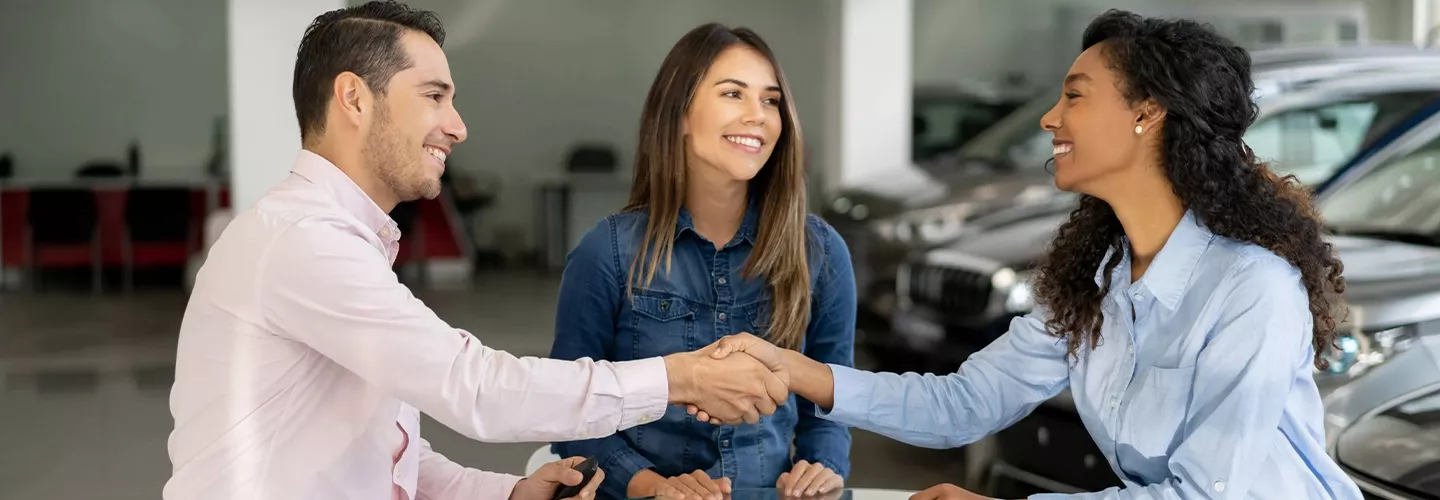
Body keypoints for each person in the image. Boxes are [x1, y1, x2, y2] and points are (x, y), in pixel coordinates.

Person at [696, 10, 1364, 500]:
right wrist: (791, 369)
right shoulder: (1096, 281)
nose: (1049, 118)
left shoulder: (1251, 286)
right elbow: (964, 403)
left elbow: (1204, 495)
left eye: (1074, 95)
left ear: (1148, 114)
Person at [164, 3, 787, 500]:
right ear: (354, 98)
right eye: (434, 96)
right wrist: (682, 376)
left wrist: (508, 491)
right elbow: (476, 389)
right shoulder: (303, 243)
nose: (458, 125)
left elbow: (381, 445)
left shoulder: (339, 242)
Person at [547, 23, 855, 500]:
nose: (758, 115)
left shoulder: (821, 251)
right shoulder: (606, 251)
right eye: (734, 93)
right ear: (680, 115)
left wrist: (822, 463)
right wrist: (652, 486)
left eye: (770, 100)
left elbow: (834, 391)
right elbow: (569, 409)